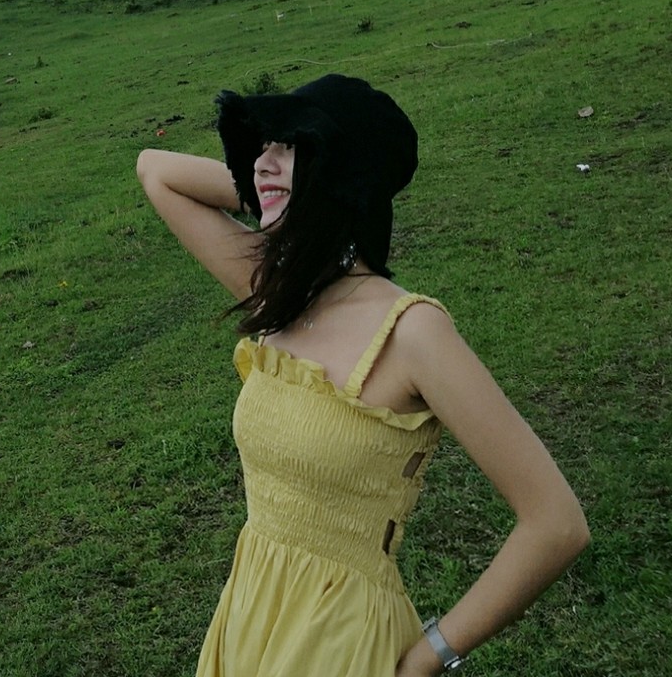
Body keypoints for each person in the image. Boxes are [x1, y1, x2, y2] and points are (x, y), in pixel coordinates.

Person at [137, 73, 588, 676]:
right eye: (263, 148)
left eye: (291, 148)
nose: (262, 163)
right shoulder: (280, 290)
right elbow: (155, 169)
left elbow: (556, 523)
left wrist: (430, 656)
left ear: (341, 175)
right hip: (252, 615)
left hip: (340, 642)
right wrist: (272, 188)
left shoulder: (412, 332)